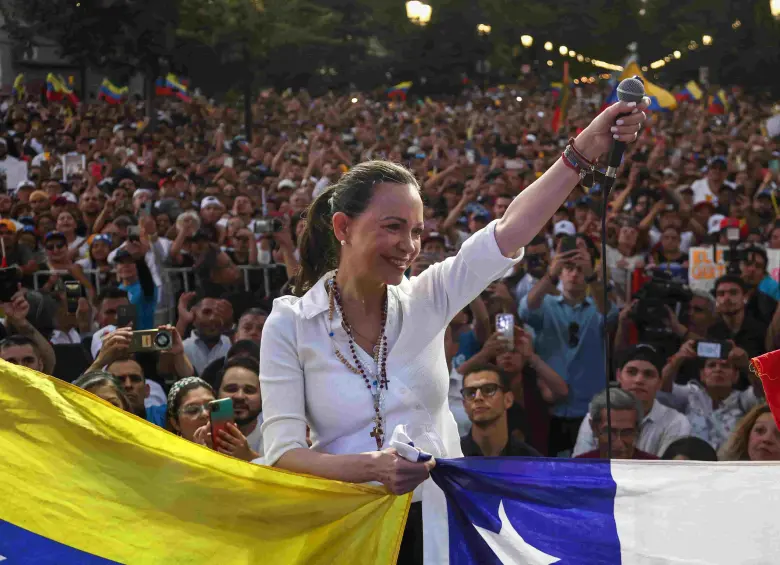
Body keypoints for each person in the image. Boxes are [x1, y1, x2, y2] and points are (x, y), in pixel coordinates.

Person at [259, 99, 647, 563]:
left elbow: (508, 231)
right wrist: (372, 468)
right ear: (343, 227)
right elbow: (282, 453)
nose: (408, 246)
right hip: (347, 534)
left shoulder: (428, 297)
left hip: (444, 528)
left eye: (417, 231)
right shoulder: (291, 323)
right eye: (392, 228)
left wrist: (583, 150)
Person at [519, 241, 617, 456]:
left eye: (580, 270)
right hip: (550, 410)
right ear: (560, 274)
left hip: (589, 411)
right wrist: (550, 275)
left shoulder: (598, 306)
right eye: (568, 269)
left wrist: (594, 278)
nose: (574, 274)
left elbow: (610, 316)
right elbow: (525, 310)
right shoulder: (547, 305)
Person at [573, 344, 691, 457]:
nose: (639, 380)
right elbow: (580, 468)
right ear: (619, 376)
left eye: (648, 374)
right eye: (632, 372)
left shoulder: (676, 422)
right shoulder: (595, 416)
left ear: (660, 382)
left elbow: (667, 472)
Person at [660, 339, 762, 450]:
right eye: (712, 365)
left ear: (735, 376)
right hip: (693, 463)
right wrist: (678, 357)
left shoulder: (744, 399)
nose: (718, 369)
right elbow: (663, 387)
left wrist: (747, 365)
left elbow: (767, 390)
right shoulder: (691, 395)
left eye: (725, 366)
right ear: (702, 375)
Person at [459, 363, 540, 457]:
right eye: (470, 393)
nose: (477, 397)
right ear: (464, 405)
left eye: (488, 390)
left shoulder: (531, 461)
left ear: (508, 400)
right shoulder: (450, 456)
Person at [576, 387, 658, 460]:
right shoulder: (578, 468)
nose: (619, 444)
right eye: (609, 432)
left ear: (638, 430)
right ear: (594, 429)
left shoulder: (655, 470)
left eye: (627, 433)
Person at [207, 356, 264, 461]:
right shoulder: (202, 437)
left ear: (263, 397)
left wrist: (249, 457)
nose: (239, 396)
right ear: (216, 394)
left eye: (249, 390)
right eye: (231, 389)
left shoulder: (275, 438)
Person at [179, 295, 233, 375]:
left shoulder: (231, 343)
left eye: (218, 313)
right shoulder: (182, 348)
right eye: (206, 312)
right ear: (193, 315)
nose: (213, 318)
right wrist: (182, 322)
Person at [167, 377, 216, 442]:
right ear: (175, 423)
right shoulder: (166, 451)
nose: (205, 414)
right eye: (193, 410)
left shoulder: (232, 447)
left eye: (211, 407)